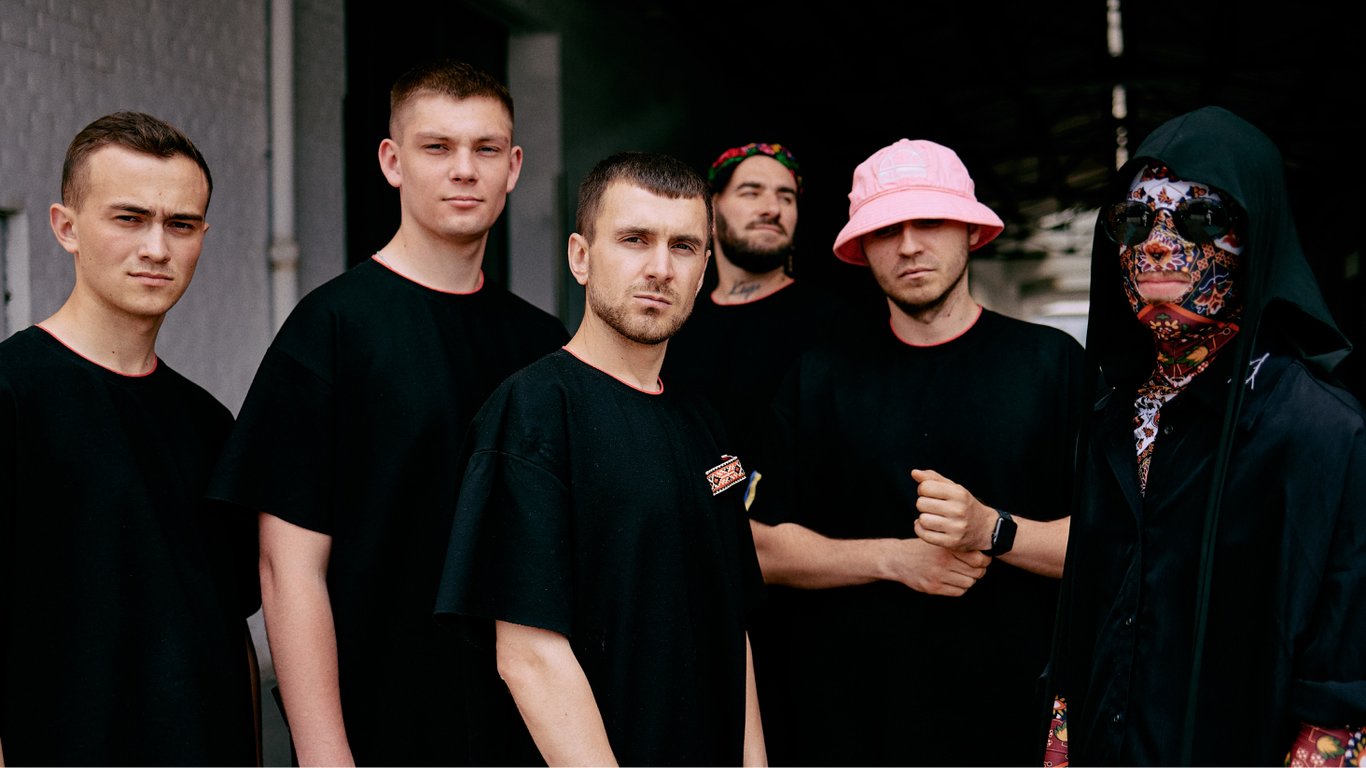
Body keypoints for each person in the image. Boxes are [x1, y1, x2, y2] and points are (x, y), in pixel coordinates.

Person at [209, 60, 568, 765]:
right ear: (392, 161)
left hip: (523, 732)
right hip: (381, 729)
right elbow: (288, 568)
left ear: (514, 167)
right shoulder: (330, 330)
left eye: (486, 148)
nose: (464, 169)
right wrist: (324, 754)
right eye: (437, 147)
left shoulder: (544, 345)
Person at [1044, 106, 1366, 766]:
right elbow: (1085, 611)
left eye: (1199, 217)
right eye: (1134, 221)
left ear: (1254, 234)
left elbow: (1342, 672)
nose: (1157, 244)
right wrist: (1061, 742)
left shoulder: (1320, 428)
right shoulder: (1111, 415)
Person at [747, 138, 1083, 766]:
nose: (907, 246)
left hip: (1012, 720)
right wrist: (894, 559)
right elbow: (759, 548)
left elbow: (1116, 542)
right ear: (861, 248)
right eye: (885, 229)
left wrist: (991, 529)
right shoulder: (819, 378)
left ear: (970, 231)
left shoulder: (1051, 365)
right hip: (852, 726)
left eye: (929, 221)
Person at [435, 151, 766, 766]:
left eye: (684, 247)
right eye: (635, 239)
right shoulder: (532, 414)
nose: (660, 268)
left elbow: (732, 626)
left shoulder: (703, 425)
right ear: (581, 257)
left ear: (703, 272)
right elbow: (530, 656)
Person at [0, 111, 258, 765]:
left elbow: (231, 634)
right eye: (129, 218)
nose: (157, 248)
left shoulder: (209, 424)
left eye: (181, 224)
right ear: (66, 227)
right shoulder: (13, 396)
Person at [663, 142, 838, 465]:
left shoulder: (835, 324)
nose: (772, 208)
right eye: (751, 192)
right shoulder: (675, 325)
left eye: (786, 197)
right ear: (710, 212)